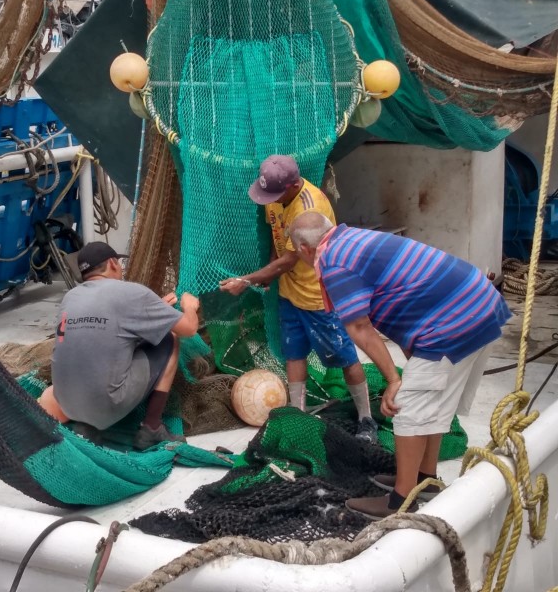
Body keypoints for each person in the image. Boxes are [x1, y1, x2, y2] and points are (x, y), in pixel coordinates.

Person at [289, 211, 511, 520]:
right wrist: (412, 367)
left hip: (452, 322)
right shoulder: (353, 239)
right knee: (430, 402)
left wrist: (394, 380)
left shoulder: (334, 262)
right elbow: (403, 299)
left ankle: (401, 501)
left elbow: (359, 328)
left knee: (408, 408)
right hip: (479, 305)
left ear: (303, 249)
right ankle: (425, 479)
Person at [219, 155, 378, 443]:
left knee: (346, 357)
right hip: (288, 293)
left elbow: (291, 258)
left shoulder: (310, 206)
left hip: (318, 295)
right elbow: (277, 238)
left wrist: (247, 280)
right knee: (294, 353)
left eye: (276, 193)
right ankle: (298, 413)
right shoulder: (274, 195)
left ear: (293, 185)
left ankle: (366, 418)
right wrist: (268, 275)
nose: (271, 199)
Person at [44, 242, 201, 450]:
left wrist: (155, 313)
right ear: (112, 263)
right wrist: (190, 307)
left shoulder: (70, 297)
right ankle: (152, 428)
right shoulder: (131, 293)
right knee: (170, 338)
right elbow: (189, 329)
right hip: (108, 405)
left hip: (66, 405)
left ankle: (86, 426)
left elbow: (111, 333)